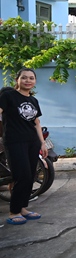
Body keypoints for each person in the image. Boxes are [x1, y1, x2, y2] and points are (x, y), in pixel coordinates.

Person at [0, 69, 48, 225]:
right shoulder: (8, 96)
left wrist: (42, 143)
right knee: (22, 176)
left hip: (32, 142)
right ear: (17, 80)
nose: (28, 80)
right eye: (24, 78)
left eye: (31, 78)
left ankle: (22, 208)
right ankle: (14, 211)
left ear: (35, 81)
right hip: (15, 141)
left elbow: (36, 123)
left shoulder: (33, 100)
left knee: (31, 176)